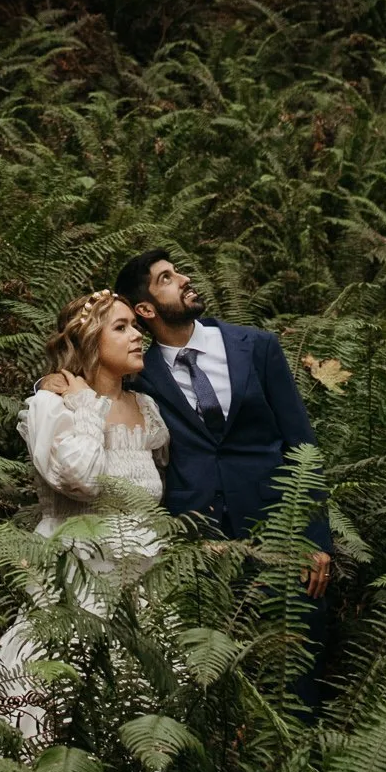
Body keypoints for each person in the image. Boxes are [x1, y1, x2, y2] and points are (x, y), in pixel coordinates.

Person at [47, 250, 333, 603]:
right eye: (165, 278)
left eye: (178, 272)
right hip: (196, 547)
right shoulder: (138, 376)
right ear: (146, 310)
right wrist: (49, 384)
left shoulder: (258, 348)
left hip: (280, 532)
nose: (184, 279)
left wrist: (316, 537)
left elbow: (302, 446)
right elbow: (92, 386)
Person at [0, 287, 174, 747]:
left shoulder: (147, 410)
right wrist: (87, 404)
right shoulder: (52, 405)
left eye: (136, 326)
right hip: (75, 580)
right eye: (121, 327)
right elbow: (81, 479)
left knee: (140, 714)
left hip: (141, 590)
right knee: (50, 696)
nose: (137, 337)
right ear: (89, 339)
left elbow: (149, 493)